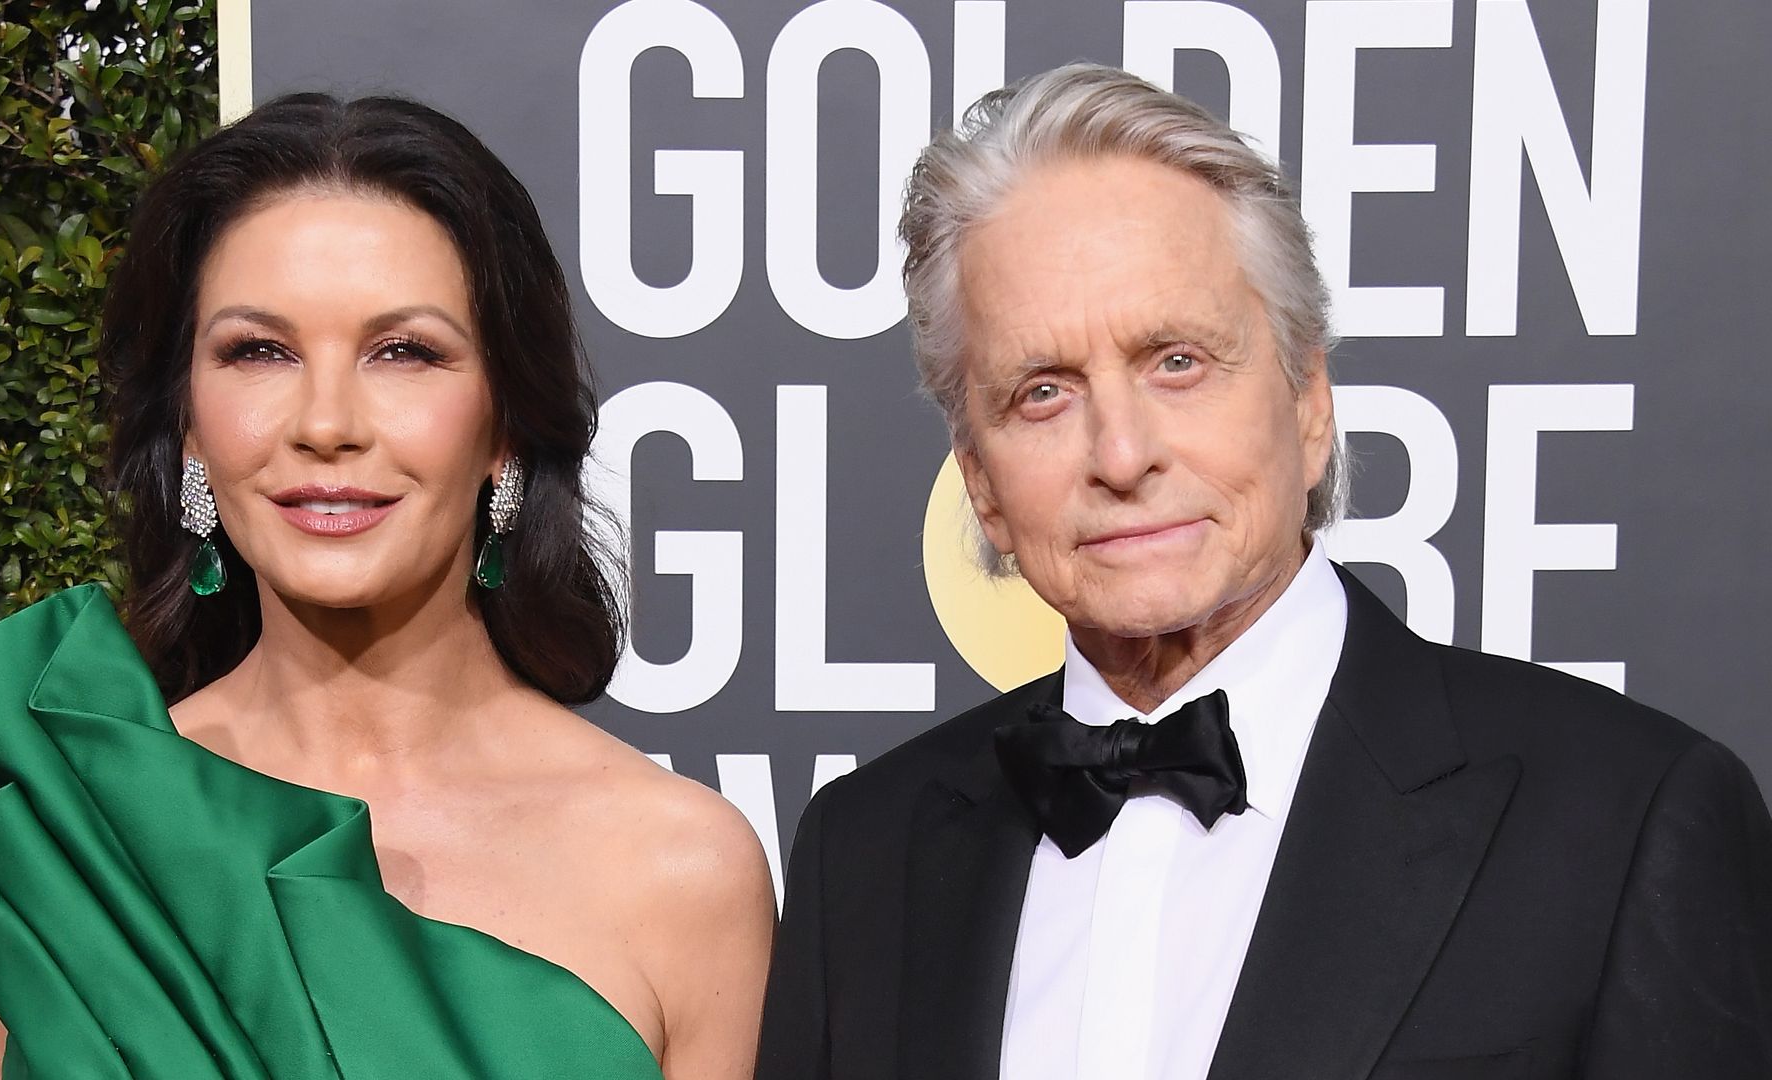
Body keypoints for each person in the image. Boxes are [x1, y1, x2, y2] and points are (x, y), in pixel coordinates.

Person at [757, 63, 1772, 1080]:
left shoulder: (1627, 820)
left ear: (1308, 402)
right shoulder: (863, 858)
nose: (1120, 455)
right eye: (1042, 393)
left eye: (1178, 362)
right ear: (979, 482)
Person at [0, 93, 774, 1079]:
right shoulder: (41, 851)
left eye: (404, 352)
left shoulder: (684, 871)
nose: (326, 422)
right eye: (258, 352)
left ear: (505, 428)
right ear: (187, 424)